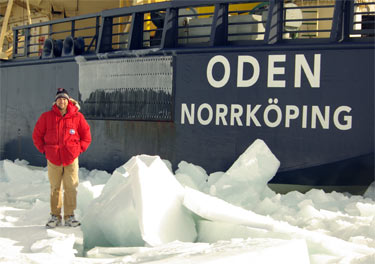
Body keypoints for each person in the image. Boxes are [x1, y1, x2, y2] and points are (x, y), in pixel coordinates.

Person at [32, 88, 91, 228]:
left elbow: (86, 136)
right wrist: (45, 151)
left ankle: (70, 216)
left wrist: (78, 150)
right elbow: (37, 136)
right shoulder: (46, 117)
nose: (62, 101)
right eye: (59, 98)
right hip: (53, 159)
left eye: (64, 98)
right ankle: (55, 216)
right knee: (55, 188)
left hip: (71, 159)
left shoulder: (77, 117)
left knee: (71, 187)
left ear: (68, 100)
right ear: (56, 101)